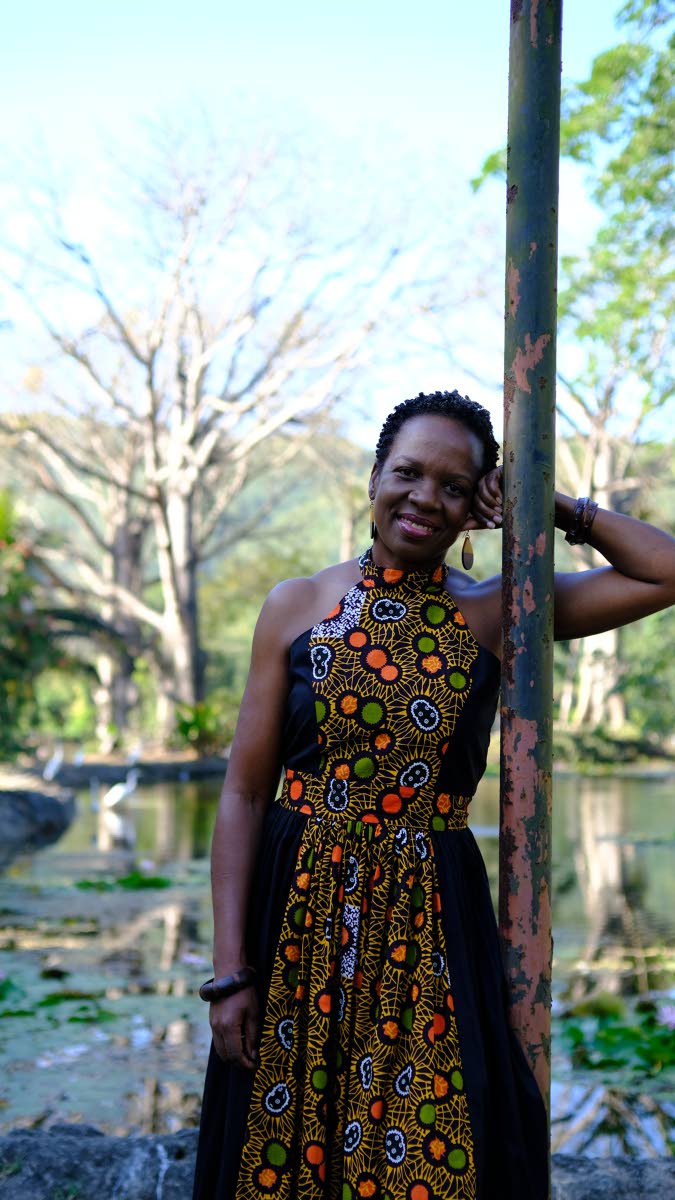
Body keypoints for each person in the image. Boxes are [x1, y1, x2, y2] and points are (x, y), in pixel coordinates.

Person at [192, 390, 675, 1200]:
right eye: (408, 473)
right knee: (280, 1153)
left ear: (477, 506)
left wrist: (546, 503)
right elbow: (243, 796)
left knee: (432, 1151)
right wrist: (229, 974)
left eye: (454, 487)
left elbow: (663, 572)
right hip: (295, 915)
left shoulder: (497, 609)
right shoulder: (296, 605)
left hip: (428, 920)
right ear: (374, 476)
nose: (424, 498)